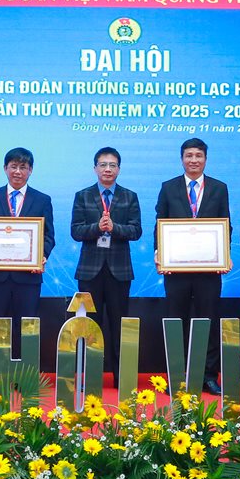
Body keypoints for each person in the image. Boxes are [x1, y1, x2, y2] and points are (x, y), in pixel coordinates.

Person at [155, 138, 231, 396]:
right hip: (176, 270)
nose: (194, 160)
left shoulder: (219, 188)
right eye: (189, 155)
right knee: (175, 322)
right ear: (182, 159)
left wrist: (224, 254)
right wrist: (159, 254)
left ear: (205, 159)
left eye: (198, 155)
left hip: (209, 270)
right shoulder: (168, 187)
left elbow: (226, 224)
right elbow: (160, 224)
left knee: (208, 321)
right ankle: (176, 376)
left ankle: (208, 376)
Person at [0, 147, 56, 390]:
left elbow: (49, 236)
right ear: (5, 169)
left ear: (30, 170)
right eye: (13, 166)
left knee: (26, 327)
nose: (18, 171)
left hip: (28, 277)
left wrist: (41, 256)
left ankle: (25, 375)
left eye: (23, 167)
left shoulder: (42, 200)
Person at [70, 147, 142, 382]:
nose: (107, 169)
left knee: (119, 324)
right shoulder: (83, 195)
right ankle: (90, 376)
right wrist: (97, 227)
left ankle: (122, 377)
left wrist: (114, 228)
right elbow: (76, 231)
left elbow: (136, 231)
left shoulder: (130, 196)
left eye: (112, 165)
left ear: (119, 169)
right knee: (89, 325)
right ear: (95, 168)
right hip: (89, 271)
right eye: (103, 165)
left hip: (119, 271)